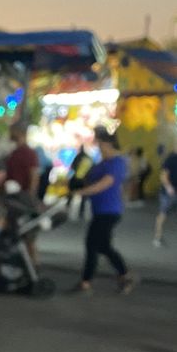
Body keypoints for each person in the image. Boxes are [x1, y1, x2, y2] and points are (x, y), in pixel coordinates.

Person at [74, 125, 136, 295]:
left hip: (109, 210)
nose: (100, 149)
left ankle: (86, 281)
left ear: (109, 145)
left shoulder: (117, 163)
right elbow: (89, 179)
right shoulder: (102, 163)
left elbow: (105, 183)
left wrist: (82, 192)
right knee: (103, 246)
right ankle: (124, 275)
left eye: (101, 146)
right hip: (100, 210)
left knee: (93, 244)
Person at [153, 145, 177, 247]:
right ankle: (157, 238)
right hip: (168, 193)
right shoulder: (170, 159)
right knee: (163, 215)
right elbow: (163, 176)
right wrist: (168, 187)